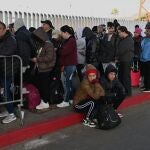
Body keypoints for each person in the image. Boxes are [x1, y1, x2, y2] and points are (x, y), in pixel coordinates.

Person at [30, 27, 56, 110]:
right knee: (42, 85)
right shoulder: (43, 43)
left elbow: (49, 57)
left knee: (44, 86)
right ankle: (44, 101)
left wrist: (37, 59)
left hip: (46, 68)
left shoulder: (48, 44)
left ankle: (45, 102)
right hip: (42, 68)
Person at [0, 21, 18, 123]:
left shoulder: (10, 38)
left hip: (9, 70)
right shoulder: (3, 38)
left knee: (6, 92)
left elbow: (9, 51)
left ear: (4, 29)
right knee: (3, 91)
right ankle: (8, 110)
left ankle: (12, 114)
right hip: (3, 69)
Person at [56, 25, 77, 108]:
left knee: (67, 83)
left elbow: (63, 52)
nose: (61, 34)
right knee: (69, 83)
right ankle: (71, 98)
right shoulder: (68, 40)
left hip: (70, 65)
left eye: (62, 32)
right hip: (68, 64)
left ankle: (66, 101)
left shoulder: (71, 41)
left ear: (66, 32)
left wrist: (59, 50)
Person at [116, 26, 134, 96]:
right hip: (122, 60)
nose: (119, 34)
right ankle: (123, 91)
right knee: (121, 76)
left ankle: (127, 92)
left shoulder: (129, 39)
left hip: (127, 60)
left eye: (119, 32)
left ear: (123, 32)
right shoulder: (122, 39)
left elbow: (121, 50)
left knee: (126, 77)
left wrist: (116, 56)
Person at [140, 22, 150, 92]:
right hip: (143, 59)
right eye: (146, 29)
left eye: (147, 29)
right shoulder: (144, 38)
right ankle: (146, 85)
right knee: (145, 74)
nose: (146, 31)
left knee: (148, 73)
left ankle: (149, 87)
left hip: (149, 59)